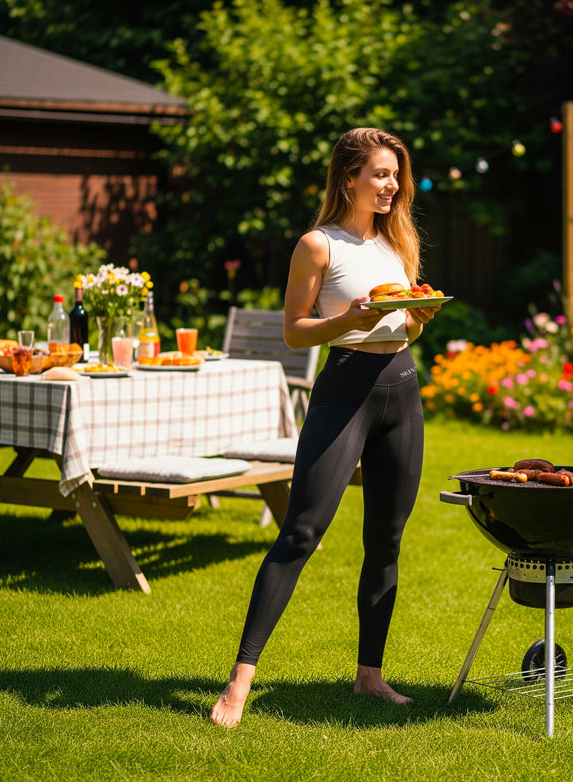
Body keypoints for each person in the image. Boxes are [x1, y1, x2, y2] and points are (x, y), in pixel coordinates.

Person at [210, 127, 442, 728]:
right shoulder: (318, 246)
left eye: (396, 174)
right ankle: (239, 682)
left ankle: (370, 676)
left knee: (386, 541)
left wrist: (418, 316)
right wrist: (350, 318)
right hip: (343, 392)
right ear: (349, 179)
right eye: (380, 174)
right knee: (301, 532)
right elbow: (294, 331)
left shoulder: (399, 244)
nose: (392, 185)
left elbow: (407, 331)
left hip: (401, 389)